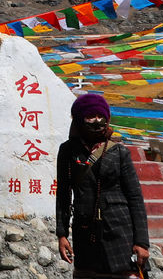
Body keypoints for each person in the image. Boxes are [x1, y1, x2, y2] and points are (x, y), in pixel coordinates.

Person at [56, 93, 150, 278]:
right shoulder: (67, 151)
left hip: (120, 230)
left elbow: (135, 197)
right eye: (91, 116)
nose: (97, 121)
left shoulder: (119, 152)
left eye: (101, 116)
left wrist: (142, 242)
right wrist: (62, 233)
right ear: (79, 119)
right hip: (85, 232)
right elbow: (64, 194)